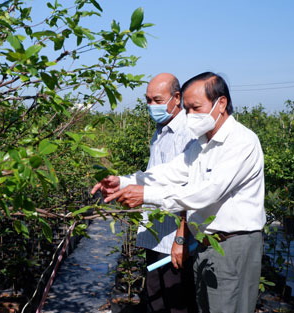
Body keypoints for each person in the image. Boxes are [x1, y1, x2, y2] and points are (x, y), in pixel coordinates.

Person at [92, 72, 266, 313]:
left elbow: (207, 192)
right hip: (206, 244)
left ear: (221, 103)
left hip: (233, 246)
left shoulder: (242, 142)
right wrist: (121, 182)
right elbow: (169, 172)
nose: (190, 116)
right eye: (187, 109)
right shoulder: (201, 144)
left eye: (195, 108)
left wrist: (146, 195)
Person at [137, 73, 197, 313]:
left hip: (173, 241)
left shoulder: (187, 134)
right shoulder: (160, 131)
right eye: (148, 100)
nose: (152, 106)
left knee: (177, 303)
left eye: (157, 100)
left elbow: (189, 191)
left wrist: (180, 240)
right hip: (155, 234)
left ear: (176, 98)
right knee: (155, 299)